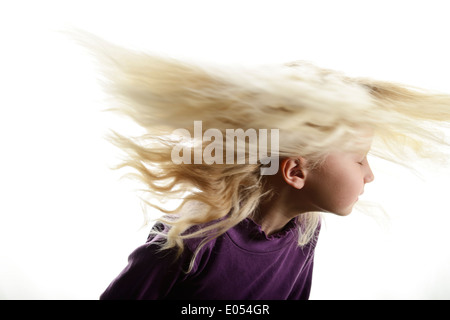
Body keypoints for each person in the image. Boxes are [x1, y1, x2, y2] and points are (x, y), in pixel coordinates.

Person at [68, 31, 450, 300]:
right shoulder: (192, 241)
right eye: (359, 159)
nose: (370, 174)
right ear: (295, 171)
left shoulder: (304, 234)